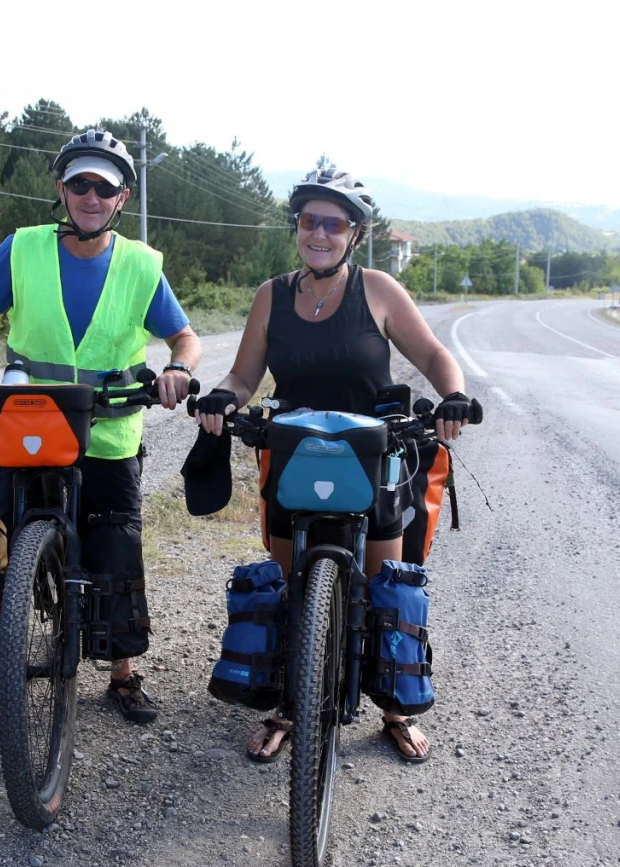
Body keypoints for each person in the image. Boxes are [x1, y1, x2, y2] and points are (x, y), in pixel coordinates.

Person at [0, 129, 202, 733]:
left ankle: (121, 674)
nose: (90, 195)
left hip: (108, 434)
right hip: (26, 427)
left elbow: (185, 336)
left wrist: (177, 368)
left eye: (104, 186)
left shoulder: (142, 265)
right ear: (62, 189)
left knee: (115, 549)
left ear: (122, 197)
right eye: (79, 183)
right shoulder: (23, 249)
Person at [194, 168, 473, 763]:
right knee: (290, 589)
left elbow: (433, 354)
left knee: (383, 590)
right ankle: (291, 708)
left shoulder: (377, 291)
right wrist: (224, 396)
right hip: (296, 452)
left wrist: (452, 396)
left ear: (354, 233)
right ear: (297, 227)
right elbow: (244, 374)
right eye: (308, 220)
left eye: (333, 223)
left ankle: (394, 709)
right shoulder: (272, 295)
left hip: (376, 454)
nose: (318, 232)